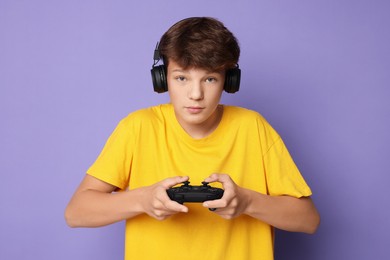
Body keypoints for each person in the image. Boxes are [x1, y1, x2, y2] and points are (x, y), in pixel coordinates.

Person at [65, 17, 320, 260]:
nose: (195, 94)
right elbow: (76, 213)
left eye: (210, 79)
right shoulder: (137, 128)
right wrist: (142, 199)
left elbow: (309, 220)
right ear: (163, 78)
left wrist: (247, 201)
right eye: (182, 78)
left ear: (228, 81)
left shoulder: (253, 128)